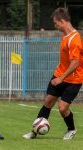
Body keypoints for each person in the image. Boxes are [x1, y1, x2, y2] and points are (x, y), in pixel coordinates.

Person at [23, 7, 83, 140]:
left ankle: (71, 129)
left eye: (56, 23)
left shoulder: (75, 39)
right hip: (59, 75)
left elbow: (75, 63)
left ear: (62, 21)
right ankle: (34, 131)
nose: (55, 26)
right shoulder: (65, 36)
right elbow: (66, 59)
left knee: (62, 108)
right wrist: (59, 72)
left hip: (74, 79)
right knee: (48, 102)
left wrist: (61, 78)